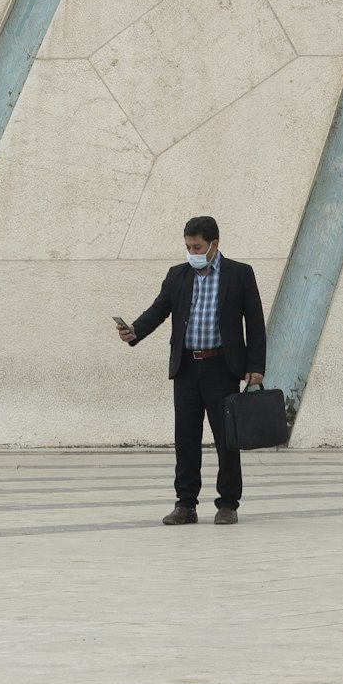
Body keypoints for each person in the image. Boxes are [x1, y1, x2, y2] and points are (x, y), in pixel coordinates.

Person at [116, 215, 266, 525]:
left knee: (227, 438)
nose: (191, 252)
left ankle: (227, 503)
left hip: (222, 367)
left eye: (196, 246)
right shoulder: (178, 275)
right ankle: (185, 503)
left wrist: (256, 366)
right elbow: (159, 309)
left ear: (214, 244)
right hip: (185, 367)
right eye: (187, 246)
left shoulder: (239, 275)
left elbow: (254, 323)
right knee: (185, 436)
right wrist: (135, 330)